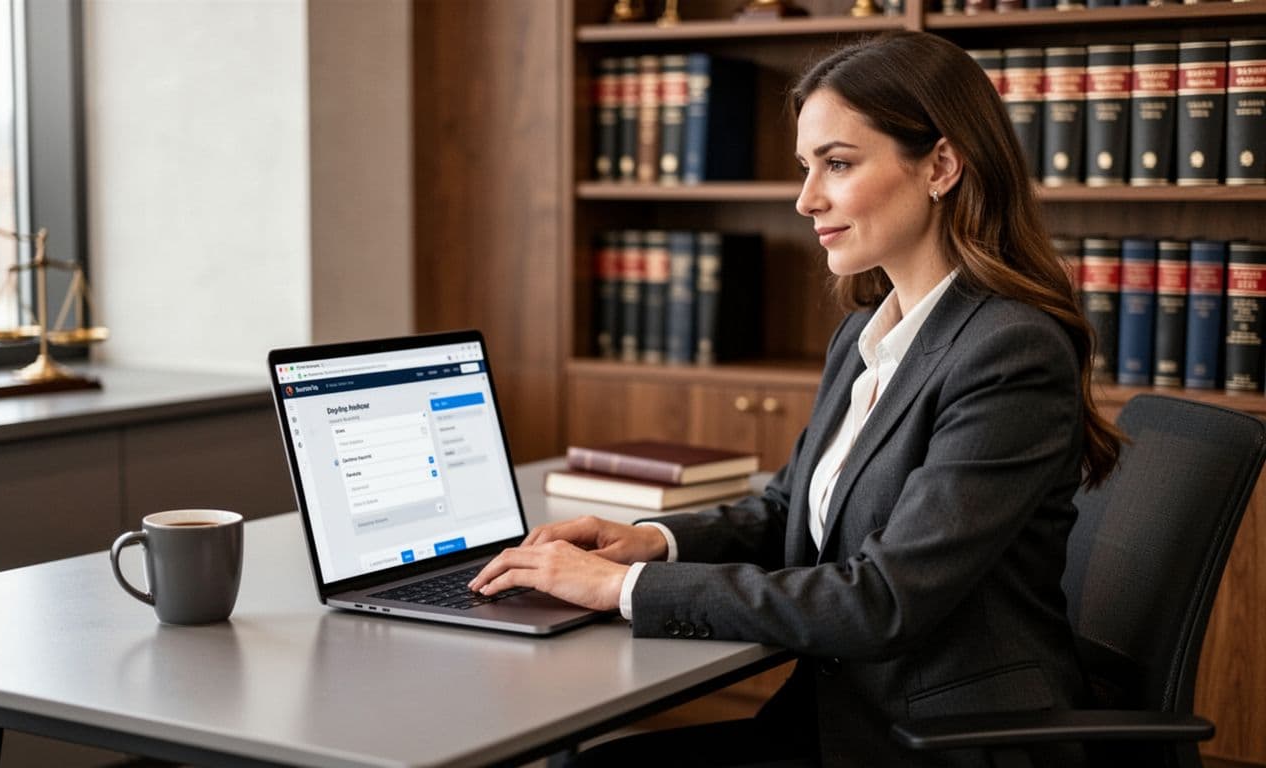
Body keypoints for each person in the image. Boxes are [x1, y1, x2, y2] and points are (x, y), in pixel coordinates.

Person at [469, 30, 1122, 768]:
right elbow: (790, 511)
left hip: (939, 743)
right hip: (838, 717)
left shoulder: (1010, 351)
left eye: (837, 164)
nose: (807, 199)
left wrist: (627, 588)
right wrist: (654, 542)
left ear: (941, 166)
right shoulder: (863, 337)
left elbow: (883, 601)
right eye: (806, 167)